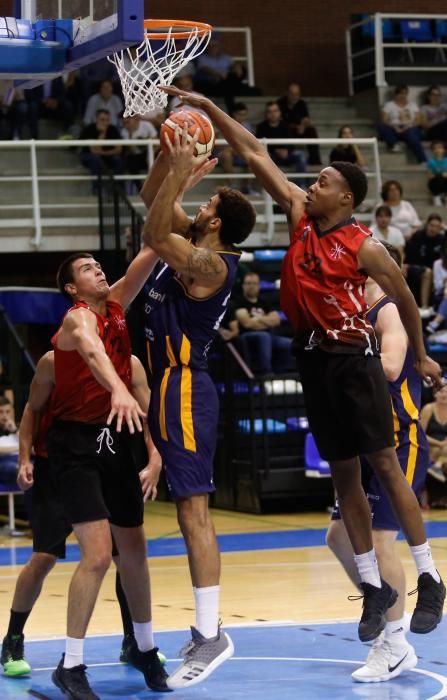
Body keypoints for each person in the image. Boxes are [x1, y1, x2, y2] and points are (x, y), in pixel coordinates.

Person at [162, 84, 446, 647]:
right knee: (344, 481)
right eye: (314, 180)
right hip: (312, 361)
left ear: (345, 199)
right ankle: (372, 590)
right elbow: (255, 151)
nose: (311, 186)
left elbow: (406, 299)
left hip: (353, 361)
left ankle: (431, 575)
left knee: (384, 468)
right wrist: (208, 106)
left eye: (323, 183)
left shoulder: (363, 246)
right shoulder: (297, 216)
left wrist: (419, 353)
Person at [139, 127, 256, 688]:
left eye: (205, 203)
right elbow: (149, 202)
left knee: (193, 512)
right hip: (162, 382)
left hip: (186, 388)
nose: (198, 205)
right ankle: (189, 632)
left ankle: (212, 634)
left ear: (214, 224)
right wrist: (168, 164)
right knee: (185, 512)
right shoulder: (194, 239)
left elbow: (152, 229)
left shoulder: (213, 266)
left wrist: (181, 174)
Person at [46, 247, 170, 698]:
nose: (97, 270)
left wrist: (175, 181)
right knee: (97, 555)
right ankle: (71, 664)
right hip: (75, 445)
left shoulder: (116, 304)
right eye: (86, 269)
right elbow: (96, 355)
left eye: (98, 265)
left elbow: (152, 247)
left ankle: (144, 646)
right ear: (71, 288)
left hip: (115, 439)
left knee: (134, 553)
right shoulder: (77, 319)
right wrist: (118, 389)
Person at [0, 352, 162, 678]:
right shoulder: (53, 361)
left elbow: (149, 416)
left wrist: (155, 458)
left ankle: (133, 641)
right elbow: (32, 409)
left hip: (106, 462)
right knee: (44, 557)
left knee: (125, 554)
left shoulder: (128, 363)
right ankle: (13, 638)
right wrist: (25, 459)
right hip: (58, 466)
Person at [326, 242, 428, 683]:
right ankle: (382, 601)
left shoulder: (388, 311)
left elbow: (388, 367)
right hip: (364, 442)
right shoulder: (352, 314)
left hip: (398, 441)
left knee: (382, 541)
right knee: (338, 538)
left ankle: (395, 642)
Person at [234, 270, 293, 374]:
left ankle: (285, 372)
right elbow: (247, 323)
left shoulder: (264, 302)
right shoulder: (239, 302)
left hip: (269, 335)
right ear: (243, 286)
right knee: (264, 336)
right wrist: (266, 319)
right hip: (246, 336)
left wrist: (258, 319)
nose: (251, 286)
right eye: (248, 283)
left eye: (254, 283)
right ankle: (266, 373)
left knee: (289, 343)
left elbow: (276, 321)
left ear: (259, 286)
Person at [256, 101, 306, 184]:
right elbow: (258, 145)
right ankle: (272, 187)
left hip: (286, 154)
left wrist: (286, 151)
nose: (273, 114)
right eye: (270, 111)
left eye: (275, 111)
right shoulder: (261, 127)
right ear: (266, 114)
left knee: (301, 156)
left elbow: (291, 142)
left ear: (280, 112)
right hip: (271, 156)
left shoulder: (285, 125)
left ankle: (301, 185)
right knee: (264, 158)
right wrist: (275, 150)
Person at [404, 213, 445, 314]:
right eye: (431, 225)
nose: (433, 229)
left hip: (436, 269)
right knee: (427, 272)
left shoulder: (442, 238)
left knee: (431, 271)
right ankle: (424, 307)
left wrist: (445, 228)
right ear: (427, 225)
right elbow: (409, 256)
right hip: (416, 266)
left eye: (437, 226)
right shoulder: (418, 235)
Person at [377, 85, 426, 163]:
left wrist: (407, 127)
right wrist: (395, 127)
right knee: (381, 125)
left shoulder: (412, 105)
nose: (403, 96)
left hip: (410, 128)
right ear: (396, 95)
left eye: (405, 93)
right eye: (400, 93)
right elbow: (384, 120)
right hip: (394, 128)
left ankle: (423, 160)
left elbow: (418, 120)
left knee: (412, 135)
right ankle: (394, 144)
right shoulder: (389, 105)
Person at [277, 82, 322, 166]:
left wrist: (303, 125)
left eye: (297, 94)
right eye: (292, 94)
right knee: (286, 130)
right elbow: (279, 121)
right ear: (287, 93)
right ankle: (290, 159)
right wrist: (295, 126)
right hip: (287, 130)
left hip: (300, 129)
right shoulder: (280, 103)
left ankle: (315, 160)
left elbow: (306, 119)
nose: (295, 97)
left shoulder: (301, 103)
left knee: (311, 131)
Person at [80, 109, 123, 189]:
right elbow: (94, 150)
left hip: (107, 155)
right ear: (96, 119)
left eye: (107, 120)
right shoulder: (89, 129)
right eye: (102, 120)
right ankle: (96, 190)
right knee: (96, 159)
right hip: (89, 156)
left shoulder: (113, 129)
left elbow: (118, 150)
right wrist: (102, 133)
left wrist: (103, 153)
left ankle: (119, 189)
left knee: (118, 160)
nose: (105, 122)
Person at [420, 385, 447, 484]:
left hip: (444, 449)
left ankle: (438, 466)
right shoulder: (428, 409)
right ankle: (437, 466)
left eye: (446, 392)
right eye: (441, 392)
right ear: (435, 394)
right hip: (428, 445)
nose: (444, 395)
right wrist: (439, 444)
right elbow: (420, 434)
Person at [426, 140, 447, 206]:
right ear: (432, 151)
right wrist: (438, 175)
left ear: (444, 150)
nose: (438, 150)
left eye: (440, 148)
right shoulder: (431, 162)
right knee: (437, 179)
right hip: (436, 181)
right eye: (435, 148)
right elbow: (429, 176)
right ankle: (437, 197)